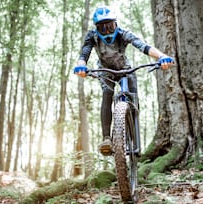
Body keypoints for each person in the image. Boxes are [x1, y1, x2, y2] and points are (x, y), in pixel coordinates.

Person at [74, 6, 174, 155]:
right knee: (107, 94)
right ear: (97, 29)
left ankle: (135, 137)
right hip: (105, 71)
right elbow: (85, 53)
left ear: (116, 24)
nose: (108, 31)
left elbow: (143, 46)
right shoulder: (92, 36)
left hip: (125, 70)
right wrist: (81, 67)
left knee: (134, 99)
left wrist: (161, 56)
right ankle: (106, 138)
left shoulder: (123, 33)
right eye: (103, 28)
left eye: (111, 26)